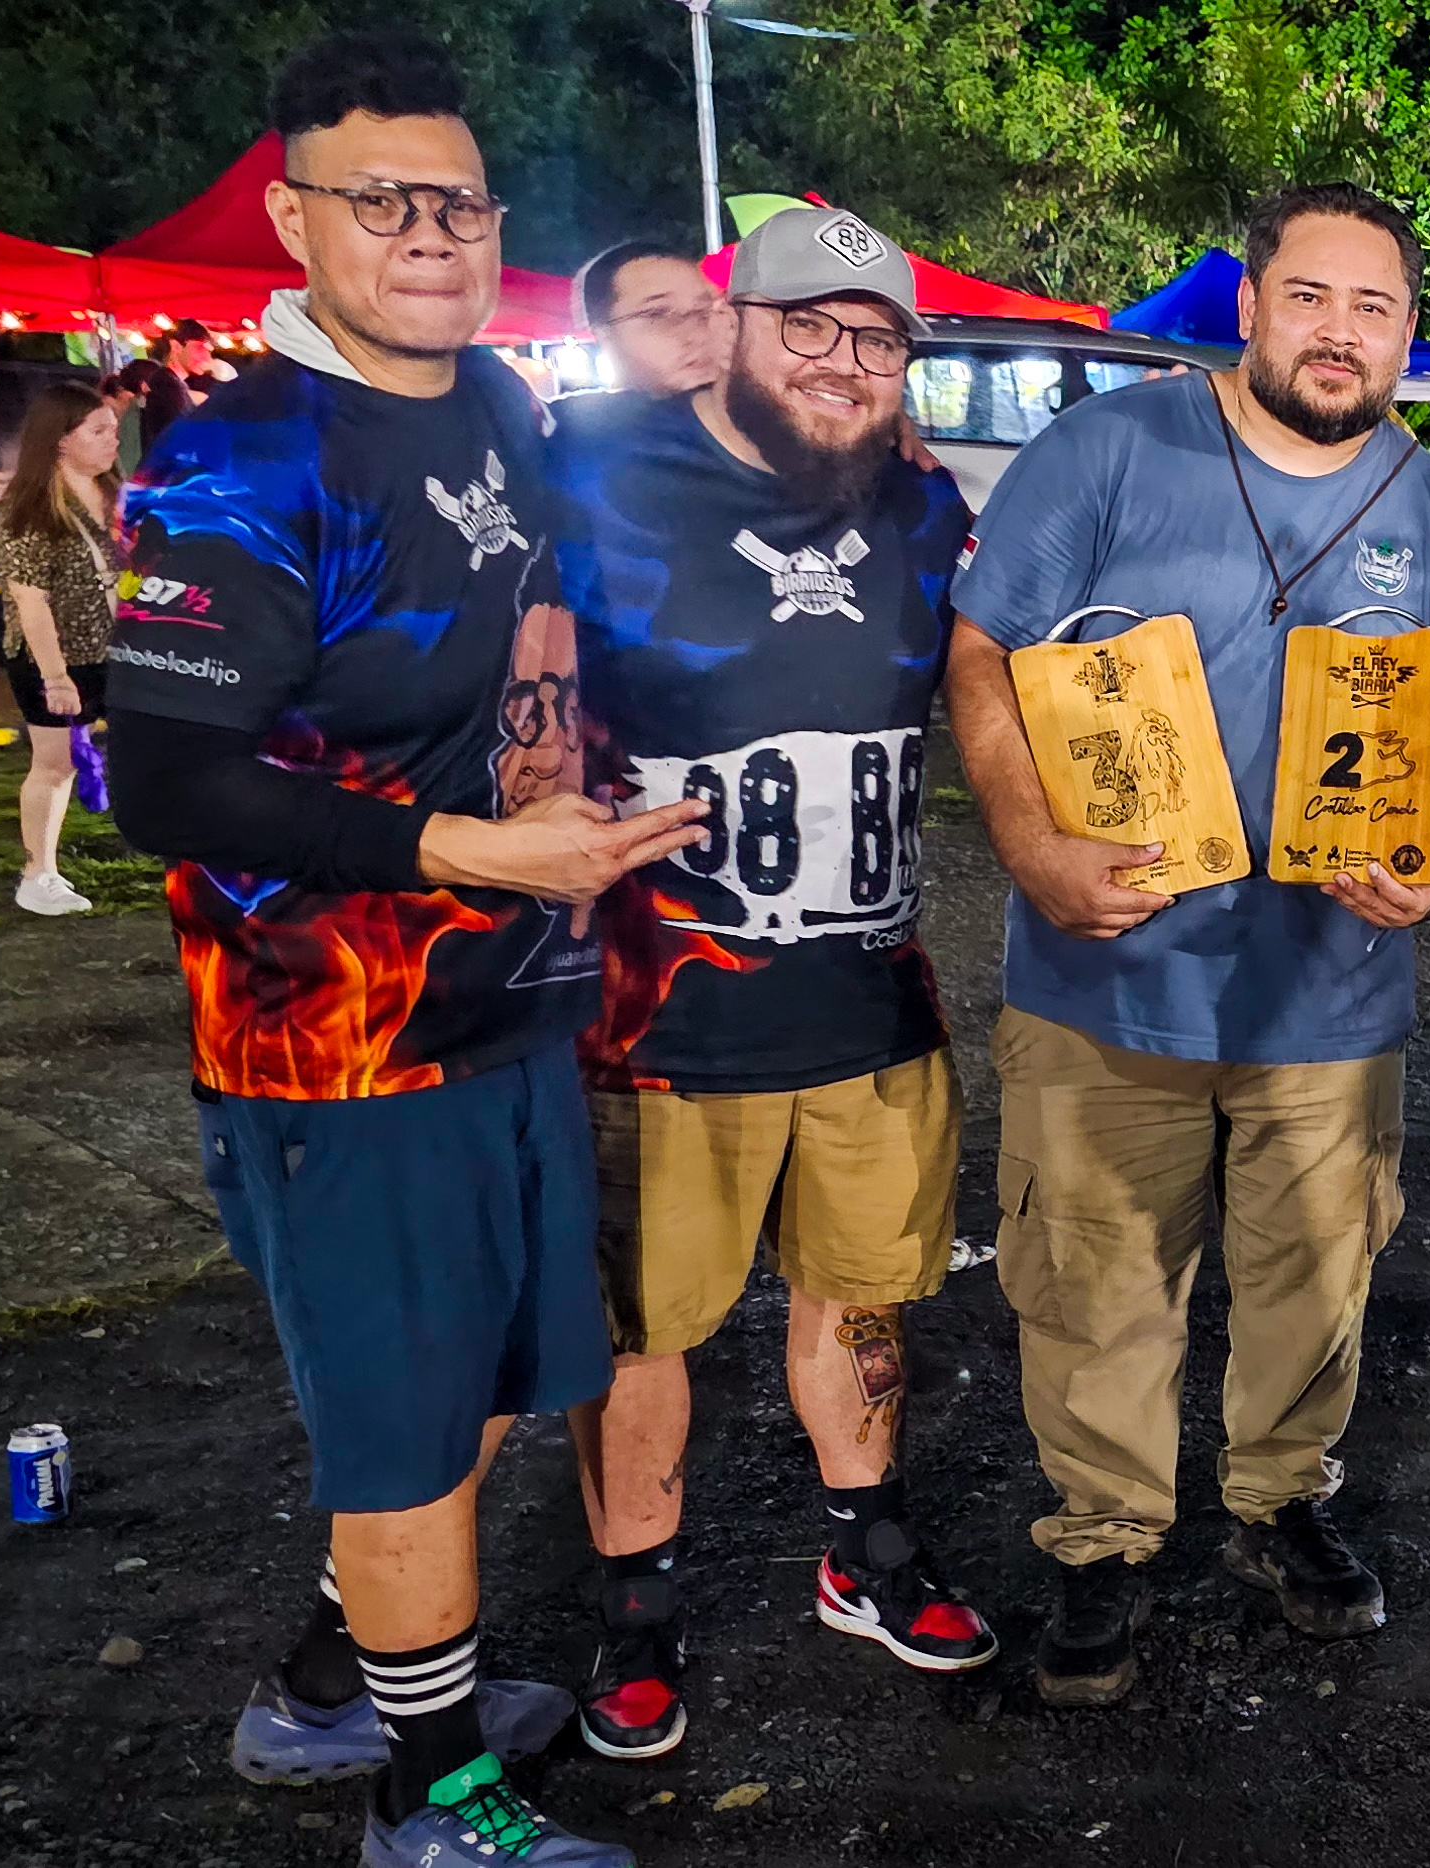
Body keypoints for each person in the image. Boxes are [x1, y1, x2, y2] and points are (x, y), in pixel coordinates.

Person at [103, 30, 703, 1864]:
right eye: (382, 200)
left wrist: (583, 822)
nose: (428, 231)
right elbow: (167, 778)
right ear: (296, 222)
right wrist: (470, 845)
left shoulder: (499, 413)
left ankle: (337, 1684)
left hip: (502, 1001)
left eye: (454, 198)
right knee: (403, 1436)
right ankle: (429, 1794)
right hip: (334, 1049)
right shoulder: (241, 458)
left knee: (475, 1397)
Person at [943, 182, 1430, 1708]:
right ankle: (1103, 1539)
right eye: (1312, 297)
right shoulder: (1111, 450)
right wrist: (1030, 848)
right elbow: (982, 652)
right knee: (1094, 1280)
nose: (1341, 334)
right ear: (1251, 305)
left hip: (1331, 994)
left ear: (1407, 335)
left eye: (1376, 308)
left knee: (1312, 1279)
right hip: (1104, 975)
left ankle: (1281, 1499)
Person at [548, 206, 995, 1761]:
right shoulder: (586, 477)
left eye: (878, 339)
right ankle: (639, 1608)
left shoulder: (928, 509)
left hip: (870, 999)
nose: (844, 362)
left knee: (859, 1302)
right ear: (734, 324)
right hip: (655, 1017)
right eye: (808, 325)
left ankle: (863, 1550)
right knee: (641, 1334)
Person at [0, 381, 125, 917]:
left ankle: (178, 847)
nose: (113, 439)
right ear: (61, 440)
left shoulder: (116, 494)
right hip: (53, 658)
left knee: (155, 745)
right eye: (99, 431)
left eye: (113, 428)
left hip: (118, 650)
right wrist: (56, 676)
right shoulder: (27, 510)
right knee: (53, 765)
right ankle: (37, 873)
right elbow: (31, 603)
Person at [570, 238, 728, 411]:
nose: (699, 335)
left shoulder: (749, 427)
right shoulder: (578, 430)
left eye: (704, 311)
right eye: (658, 314)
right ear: (603, 334)